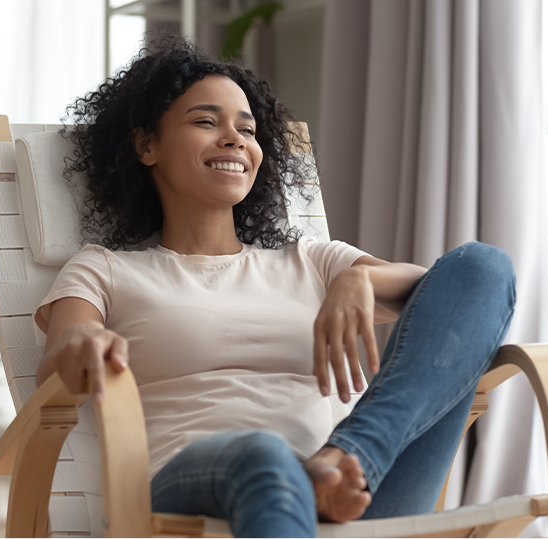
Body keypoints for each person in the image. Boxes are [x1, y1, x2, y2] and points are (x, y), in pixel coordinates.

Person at [33, 37, 515, 537]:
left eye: (247, 129)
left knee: (485, 263)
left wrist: (360, 278)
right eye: (205, 121)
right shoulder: (106, 270)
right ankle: (317, 474)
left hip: (356, 494)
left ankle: (345, 457)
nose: (234, 139)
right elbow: (57, 359)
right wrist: (83, 342)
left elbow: (462, 292)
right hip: (193, 487)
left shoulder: (312, 260)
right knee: (264, 454)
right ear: (146, 144)